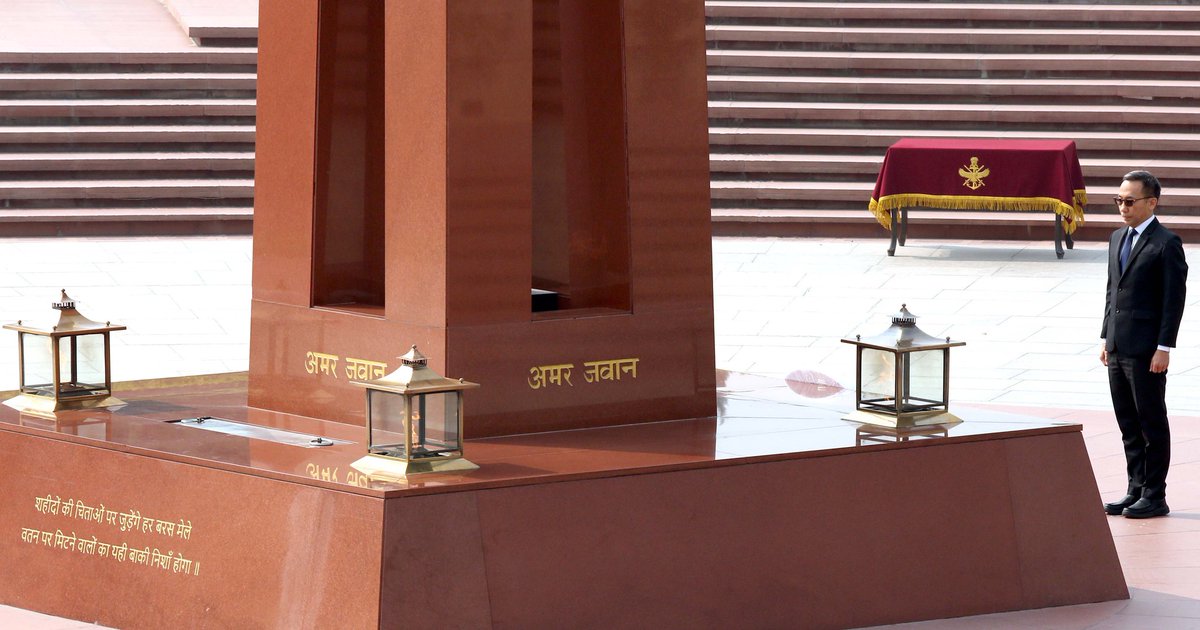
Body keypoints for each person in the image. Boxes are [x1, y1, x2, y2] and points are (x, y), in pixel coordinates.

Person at [1100, 170, 1187, 519]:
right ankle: (1134, 489)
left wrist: (1164, 347)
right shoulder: (1117, 238)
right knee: (1128, 424)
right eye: (1119, 200)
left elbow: (1173, 300)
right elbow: (1112, 291)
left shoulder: (1166, 243)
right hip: (1119, 345)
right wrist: (1107, 337)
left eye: (1130, 201)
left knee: (1151, 422)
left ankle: (1155, 494)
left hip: (1147, 349)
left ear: (1151, 203)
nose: (1123, 207)